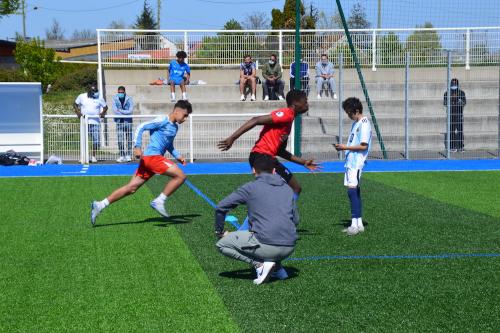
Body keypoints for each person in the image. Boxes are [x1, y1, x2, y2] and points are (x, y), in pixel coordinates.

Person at [90, 100, 192, 225]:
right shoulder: (162, 120)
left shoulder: (175, 127)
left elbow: (168, 144)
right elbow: (141, 126)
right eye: (185, 115)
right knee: (181, 176)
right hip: (152, 158)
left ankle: (100, 205)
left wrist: (177, 156)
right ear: (177, 111)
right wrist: (137, 146)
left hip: (150, 160)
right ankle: (159, 201)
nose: (186, 118)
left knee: (131, 188)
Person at [218, 90, 320, 199]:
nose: (307, 103)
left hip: (268, 158)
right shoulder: (286, 114)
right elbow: (255, 120)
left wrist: (303, 162)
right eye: (305, 101)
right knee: (271, 194)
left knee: (296, 189)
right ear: (295, 104)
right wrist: (232, 138)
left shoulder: (289, 121)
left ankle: (282, 214)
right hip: (261, 157)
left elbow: (280, 151)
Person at [214, 154, 298, 285]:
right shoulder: (287, 189)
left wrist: (219, 231)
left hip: (267, 244)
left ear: (253, 170)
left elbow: (221, 207)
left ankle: (260, 265)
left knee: (222, 244)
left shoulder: (250, 188)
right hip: (290, 247)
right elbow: (296, 220)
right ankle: (278, 268)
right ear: (274, 171)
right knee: (269, 230)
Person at [334, 97, 372, 236]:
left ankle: (354, 225)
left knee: (352, 191)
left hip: (356, 162)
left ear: (356, 111)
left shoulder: (364, 124)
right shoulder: (357, 123)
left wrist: (345, 147)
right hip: (351, 162)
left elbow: (363, 145)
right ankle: (358, 223)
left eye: (349, 112)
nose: (348, 115)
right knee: (354, 191)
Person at [74, 83, 108, 163]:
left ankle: (93, 156)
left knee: (96, 140)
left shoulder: (99, 97)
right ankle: (82, 157)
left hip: (95, 122)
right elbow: (75, 104)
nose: (96, 92)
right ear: (89, 91)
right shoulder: (81, 96)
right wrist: (78, 112)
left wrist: (102, 113)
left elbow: (105, 107)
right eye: (94, 91)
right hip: (84, 122)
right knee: (83, 140)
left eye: (96, 90)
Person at [111, 86, 134, 162]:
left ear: (124, 92)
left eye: (121, 92)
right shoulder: (114, 98)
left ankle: (128, 155)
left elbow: (130, 110)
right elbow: (115, 110)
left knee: (129, 139)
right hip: (119, 122)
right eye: (119, 92)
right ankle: (121, 155)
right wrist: (124, 112)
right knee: (120, 139)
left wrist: (121, 111)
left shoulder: (129, 98)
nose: (120, 93)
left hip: (128, 121)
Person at [443, 78, 466, 152]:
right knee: (451, 130)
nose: (453, 85)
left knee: (460, 131)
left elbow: (464, 102)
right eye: (452, 84)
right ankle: (452, 146)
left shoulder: (461, 93)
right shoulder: (447, 93)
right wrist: (451, 101)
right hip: (451, 114)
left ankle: (460, 146)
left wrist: (458, 101)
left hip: (459, 114)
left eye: (455, 84)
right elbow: (445, 103)